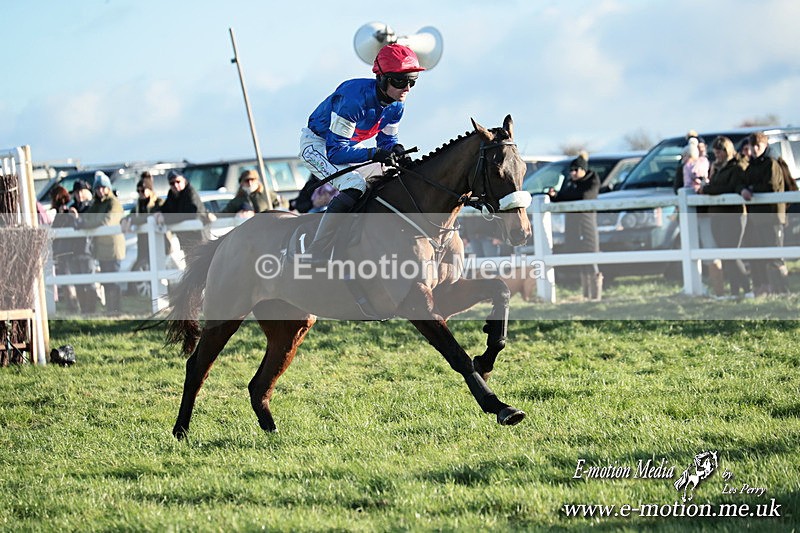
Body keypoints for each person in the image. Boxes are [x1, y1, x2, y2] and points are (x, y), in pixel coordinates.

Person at [298, 43, 424, 264]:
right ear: (382, 79)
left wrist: (395, 149)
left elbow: (387, 140)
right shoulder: (354, 100)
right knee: (354, 185)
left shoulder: (396, 105)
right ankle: (316, 250)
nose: (407, 89)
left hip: (346, 147)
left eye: (412, 81)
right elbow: (336, 152)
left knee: (393, 178)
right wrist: (375, 153)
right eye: (400, 81)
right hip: (317, 146)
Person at [700, 136, 753, 299]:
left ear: (726, 151)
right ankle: (735, 290)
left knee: (732, 252)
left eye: (719, 152)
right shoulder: (716, 167)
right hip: (717, 214)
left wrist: (708, 188)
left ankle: (747, 287)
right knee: (725, 253)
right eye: (715, 153)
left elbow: (729, 187)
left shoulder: (736, 168)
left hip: (733, 214)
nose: (717, 156)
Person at [739, 132, 789, 295]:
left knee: (776, 257)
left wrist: (752, 189)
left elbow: (772, 186)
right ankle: (768, 288)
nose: (754, 149)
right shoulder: (753, 164)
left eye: (757, 146)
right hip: (758, 218)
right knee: (762, 255)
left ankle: (783, 290)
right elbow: (745, 180)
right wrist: (744, 189)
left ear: (764, 145)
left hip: (773, 216)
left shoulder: (771, 163)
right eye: (752, 146)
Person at [549, 152, 602, 301]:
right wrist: (555, 196)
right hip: (573, 226)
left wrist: (566, 196)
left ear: (583, 169)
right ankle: (586, 295)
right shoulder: (571, 183)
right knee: (580, 260)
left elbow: (584, 196)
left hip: (587, 225)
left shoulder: (592, 181)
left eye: (575, 170)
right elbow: (563, 198)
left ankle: (596, 295)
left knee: (591, 259)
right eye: (571, 170)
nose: (572, 173)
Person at [76, 171, 126, 314]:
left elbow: (107, 222)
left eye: (103, 187)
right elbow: (88, 217)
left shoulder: (114, 203)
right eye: (98, 188)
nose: (100, 190)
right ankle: (110, 309)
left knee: (114, 281)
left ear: (108, 188)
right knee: (106, 281)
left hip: (113, 249)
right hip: (101, 249)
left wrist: (85, 224)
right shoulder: (97, 204)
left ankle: (116, 310)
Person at [155, 169, 211, 255]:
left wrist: (165, 218)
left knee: (201, 265)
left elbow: (189, 214)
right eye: (172, 183)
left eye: (178, 181)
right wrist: (159, 213)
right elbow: (166, 209)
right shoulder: (172, 194)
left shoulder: (190, 192)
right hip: (186, 240)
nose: (175, 185)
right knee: (189, 266)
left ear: (184, 180)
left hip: (199, 238)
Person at [122, 172, 166, 275]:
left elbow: (150, 218)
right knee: (146, 271)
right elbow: (131, 216)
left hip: (158, 243)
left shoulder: (158, 203)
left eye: (142, 190)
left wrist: (134, 220)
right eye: (138, 191)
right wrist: (124, 220)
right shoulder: (138, 206)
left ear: (149, 190)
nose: (140, 193)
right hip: (143, 244)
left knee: (160, 271)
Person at [67, 179, 101, 312]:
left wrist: (75, 218)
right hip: (74, 250)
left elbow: (86, 224)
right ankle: (83, 309)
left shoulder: (91, 207)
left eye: (81, 191)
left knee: (90, 282)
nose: (79, 195)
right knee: (78, 283)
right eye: (76, 192)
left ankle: (91, 309)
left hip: (87, 250)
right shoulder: (72, 208)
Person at [49, 186, 80, 312]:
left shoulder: (69, 211)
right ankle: (71, 305)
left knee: (68, 281)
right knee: (66, 281)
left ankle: (74, 306)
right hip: (62, 250)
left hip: (68, 250)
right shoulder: (59, 213)